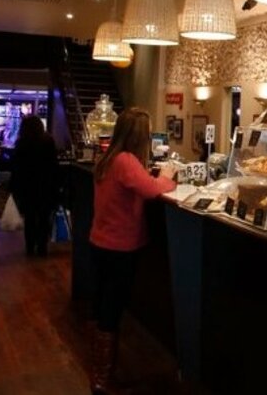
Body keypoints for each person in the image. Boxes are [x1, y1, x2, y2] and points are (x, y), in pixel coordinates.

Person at [88, 108, 176, 394]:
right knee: (112, 309)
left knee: (104, 306)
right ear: (140, 136)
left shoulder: (109, 157)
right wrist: (168, 175)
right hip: (119, 246)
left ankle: (100, 370)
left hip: (101, 242)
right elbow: (152, 190)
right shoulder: (126, 161)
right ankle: (101, 379)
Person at [10, 116, 59, 256]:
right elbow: (53, 165)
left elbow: (17, 167)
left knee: (30, 218)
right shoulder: (48, 141)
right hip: (45, 185)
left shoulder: (21, 143)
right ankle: (42, 246)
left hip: (27, 186)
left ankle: (30, 247)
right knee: (44, 217)